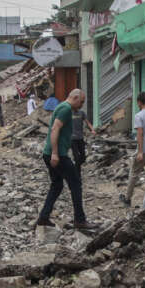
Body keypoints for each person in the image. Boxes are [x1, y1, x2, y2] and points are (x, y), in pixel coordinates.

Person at [36, 89, 97, 232]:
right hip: (58, 155)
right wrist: (56, 153)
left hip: (49, 153)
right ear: (75, 97)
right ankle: (80, 220)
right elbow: (55, 129)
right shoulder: (66, 109)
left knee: (57, 185)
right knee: (76, 184)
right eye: (81, 102)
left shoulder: (62, 106)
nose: (81, 105)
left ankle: (43, 217)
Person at [70, 103, 96, 176]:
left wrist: (92, 129)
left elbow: (87, 122)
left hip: (80, 138)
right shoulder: (68, 113)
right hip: (72, 139)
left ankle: (74, 166)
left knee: (83, 157)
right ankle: (77, 175)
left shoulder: (82, 113)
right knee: (77, 157)